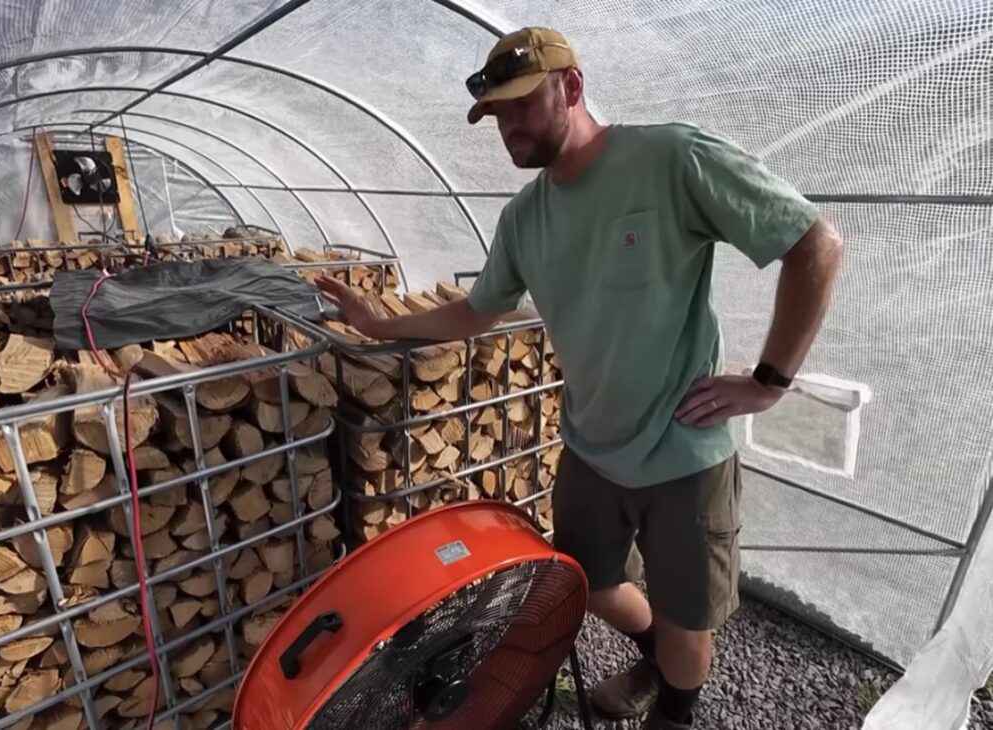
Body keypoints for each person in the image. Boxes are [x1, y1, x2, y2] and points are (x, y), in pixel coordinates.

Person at [315, 26, 843, 730]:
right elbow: (478, 311)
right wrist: (378, 325)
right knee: (590, 584)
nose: (508, 127)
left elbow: (813, 243)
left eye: (520, 105)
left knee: (690, 618)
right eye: (496, 116)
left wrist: (770, 381)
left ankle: (676, 713)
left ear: (571, 87)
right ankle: (655, 661)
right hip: (590, 449)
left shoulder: (669, 158)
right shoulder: (524, 217)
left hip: (682, 449)